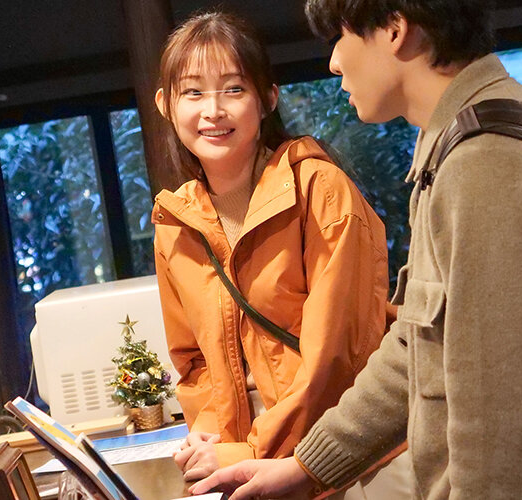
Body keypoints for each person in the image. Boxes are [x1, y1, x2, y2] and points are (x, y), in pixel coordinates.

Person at [191, 0, 522, 498]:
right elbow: (416, 346)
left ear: (394, 29)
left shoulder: (485, 164)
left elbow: (500, 427)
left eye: (340, 37)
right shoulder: (461, 143)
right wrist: (305, 467)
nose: (334, 62)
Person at [150, 11, 407, 492]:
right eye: (193, 92)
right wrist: (209, 435)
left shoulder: (319, 189)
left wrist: (248, 451)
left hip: (348, 459)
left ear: (268, 98)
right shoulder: (176, 223)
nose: (213, 110)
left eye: (233, 89)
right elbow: (195, 362)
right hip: (251, 465)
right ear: (166, 104)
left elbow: (337, 358)